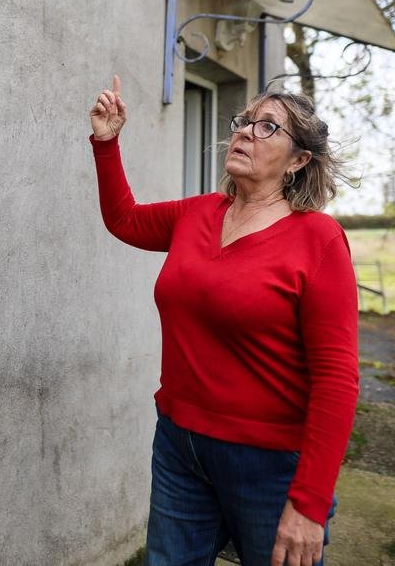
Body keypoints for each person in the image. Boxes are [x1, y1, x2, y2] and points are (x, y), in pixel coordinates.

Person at [89, 75, 358, 566]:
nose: (244, 133)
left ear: (299, 161)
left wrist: (310, 503)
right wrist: (107, 143)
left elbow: (337, 379)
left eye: (267, 127)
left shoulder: (319, 240)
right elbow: (124, 219)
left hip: (270, 463)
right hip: (179, 444)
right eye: (243, 121)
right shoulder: (197, 213)